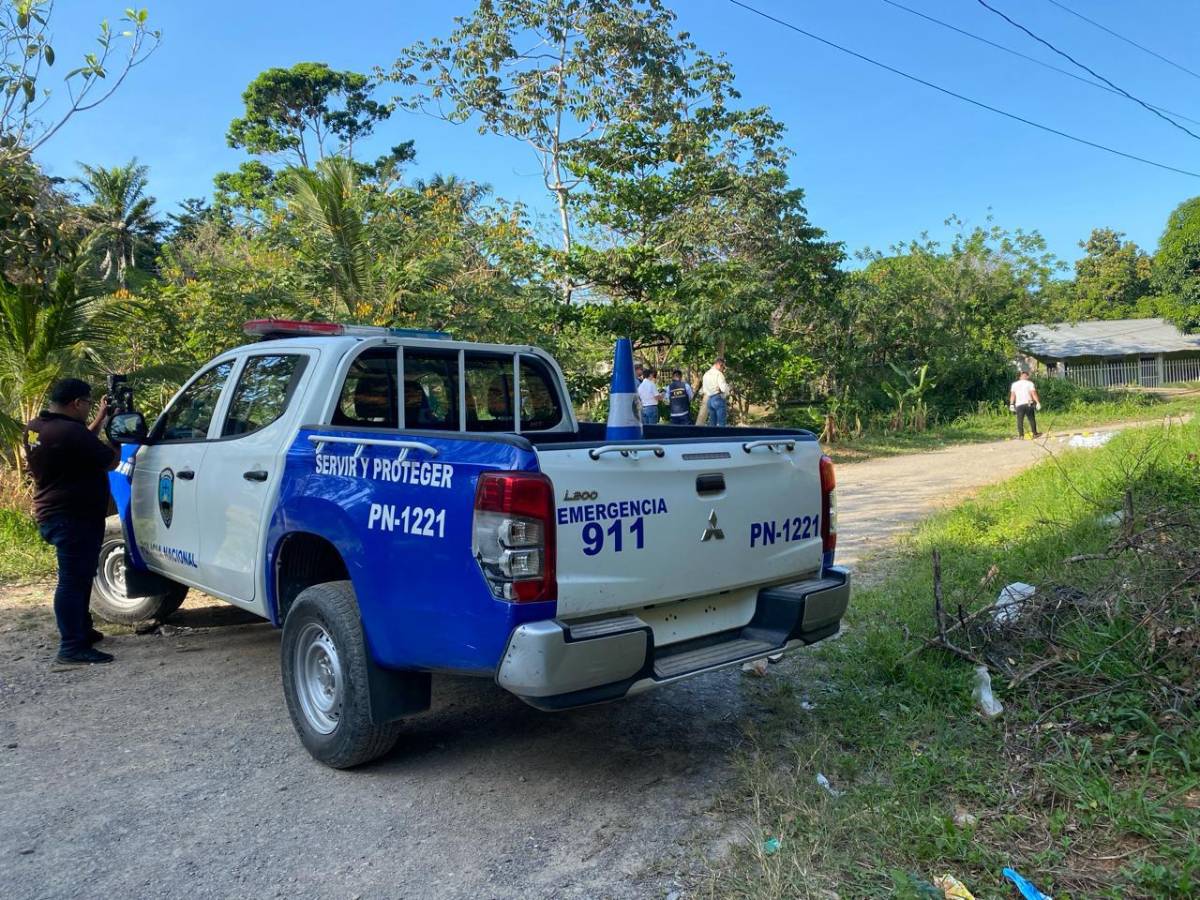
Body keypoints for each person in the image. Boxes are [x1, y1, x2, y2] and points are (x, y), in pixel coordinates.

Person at [23, 378, 118, 665]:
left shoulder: (36, 428)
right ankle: (71, 647)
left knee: (79, 576)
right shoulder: (69, 432)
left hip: (53, 513)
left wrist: (101, 418)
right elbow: (110, 460)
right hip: (73, 517)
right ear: (77, 402)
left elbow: (78, 443)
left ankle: (82, 632)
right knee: (72, 582)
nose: (89, 408)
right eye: (89, 404)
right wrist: (119, 435)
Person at [1009, 370, 1042, 439]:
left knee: (1020, 420)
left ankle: (1021, 435)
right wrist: (1038, 402)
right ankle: (1035, 434)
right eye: (1027, 376)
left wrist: (1011, 404)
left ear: (1020, 377)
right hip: (1028, 403)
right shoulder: (1029, 383)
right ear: (1026, 376)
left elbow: (1012, 395)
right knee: (1031, 419)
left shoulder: (1014, 384)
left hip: (1019, 404)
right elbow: (1033, 393)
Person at [701, 357, 731, 427]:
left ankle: (712, 437)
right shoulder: (719, 374)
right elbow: (723, 389)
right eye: (723, 367)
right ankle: (721, 437)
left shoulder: (706, 374)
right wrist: (728, 388)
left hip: (710, 400)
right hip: (718, 399)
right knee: (721, 423)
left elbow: (704, 390)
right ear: (719, 364)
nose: (723, 369)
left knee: (712, 423)